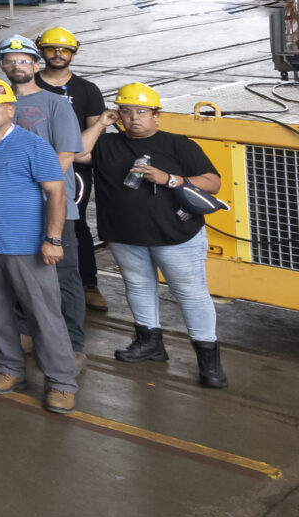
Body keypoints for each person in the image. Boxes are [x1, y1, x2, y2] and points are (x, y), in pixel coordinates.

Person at [92, 83, 227, 389]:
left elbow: (213, 182)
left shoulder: (179, 145)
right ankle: (150, 343)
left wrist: (171, 179)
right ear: (119, 115)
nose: (134, 117)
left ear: (156, 115)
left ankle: (209, 362)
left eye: (142, 111)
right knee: (138, 287)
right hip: (126, 234)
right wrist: (101, 123)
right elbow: (78, 153)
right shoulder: (107, 145)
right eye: (127, 111)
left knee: (191, 296)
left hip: (176, 235)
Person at [0, 77, 76, 411]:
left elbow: (57, 193)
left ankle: (61, 382)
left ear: (11, 109)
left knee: (44, 315)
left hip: (26, 245)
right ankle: (10, 368)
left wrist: (53, 238)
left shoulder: (33, 145)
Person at [0, 36, 87, 356]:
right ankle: (23, 332)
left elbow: (64, 156)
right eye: (9, 60)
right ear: (2, 66)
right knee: (18, 273)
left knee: (63, 276)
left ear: (36, 65)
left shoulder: (57, 104)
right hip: (11, 209)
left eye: (23, 60)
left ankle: (73, 343)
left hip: (52, 205)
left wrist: (26, 186)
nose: (16, 65)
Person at [36, 27, 113, 312]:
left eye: (64, 49)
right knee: (30, 220)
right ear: (41, 50)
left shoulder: (86, 90)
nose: (58, 54)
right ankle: (36, 283)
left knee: (75, 222)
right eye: (52, 48)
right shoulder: (29, 84)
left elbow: (94, 140)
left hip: (74, 170)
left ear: (73, 53)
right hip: (31, 164)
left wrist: (75, 154)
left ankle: (87, 282)